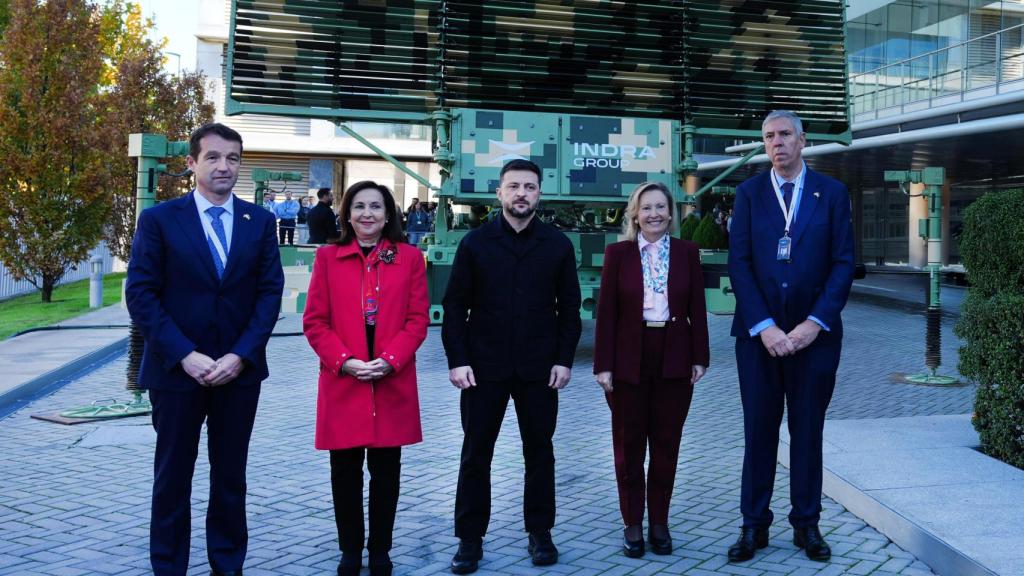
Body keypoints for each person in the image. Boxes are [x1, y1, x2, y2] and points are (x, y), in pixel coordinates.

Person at [125, 123, 284, 576]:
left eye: (232, 158)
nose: (224, 166)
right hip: (177, 374)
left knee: (230, 478)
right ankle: (169, 567)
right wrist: (184, 355)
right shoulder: (159, 220)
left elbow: (269, 295)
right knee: (173, 478)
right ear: (192, 163)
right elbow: (140, 294)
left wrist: (240, 355)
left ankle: (227, 565)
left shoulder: (261, 222)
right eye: (213, 157)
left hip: (239, 374)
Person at [726, 110, 854, 563]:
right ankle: (753, 527)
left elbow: (843, 264)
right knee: (758, 432)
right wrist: (766, 328)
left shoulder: (833, 193)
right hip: (758, 340)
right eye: (768, 137)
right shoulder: (748, 194)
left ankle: (807, 526)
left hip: (814, 339)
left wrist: (812, 324)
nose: (776, 143)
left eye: (784, 135)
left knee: (807, 433)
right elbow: (738, 264)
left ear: (803, 140)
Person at [442, 159, 582, 574]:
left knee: (540, 452)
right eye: (514, 186)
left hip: (540, 369)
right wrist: (458, 360)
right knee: (475, 454)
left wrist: (564, 358)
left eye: (530, 187)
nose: (522, 193)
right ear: (499, 192)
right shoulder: (475, 243)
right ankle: (469, 539)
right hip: (483, 369)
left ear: (540, 193)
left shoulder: (557, 244)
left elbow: (570, 309)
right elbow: (454, 307)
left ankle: (540, 532)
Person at [303, 180, 429, 576]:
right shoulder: (328, 257)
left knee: (386, 473)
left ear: (388, 214)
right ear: (347, 214)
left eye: (376, 206)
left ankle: (380, 550)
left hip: (391, 379)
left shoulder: (408, 258)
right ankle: (350, 550)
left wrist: (391, 359)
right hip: (344, 380)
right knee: (344, 473)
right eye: (359, 206)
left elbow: (417, 320)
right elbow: (315, 323)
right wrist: (346, 361)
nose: (367, 214)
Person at [593, 181, 710, 559]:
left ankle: (659, 522)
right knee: (628, 444)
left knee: (665, 444)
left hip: (674, 354)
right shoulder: (618, 254)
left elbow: (697, 309)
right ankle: (632, 524)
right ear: (635, 214)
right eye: (646, 208)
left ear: (671, 214)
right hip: (629, 356)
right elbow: (606, 313)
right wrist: (603, 365)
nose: (654, 214)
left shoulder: (688, 252)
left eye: (661, 207)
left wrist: (700, 357)